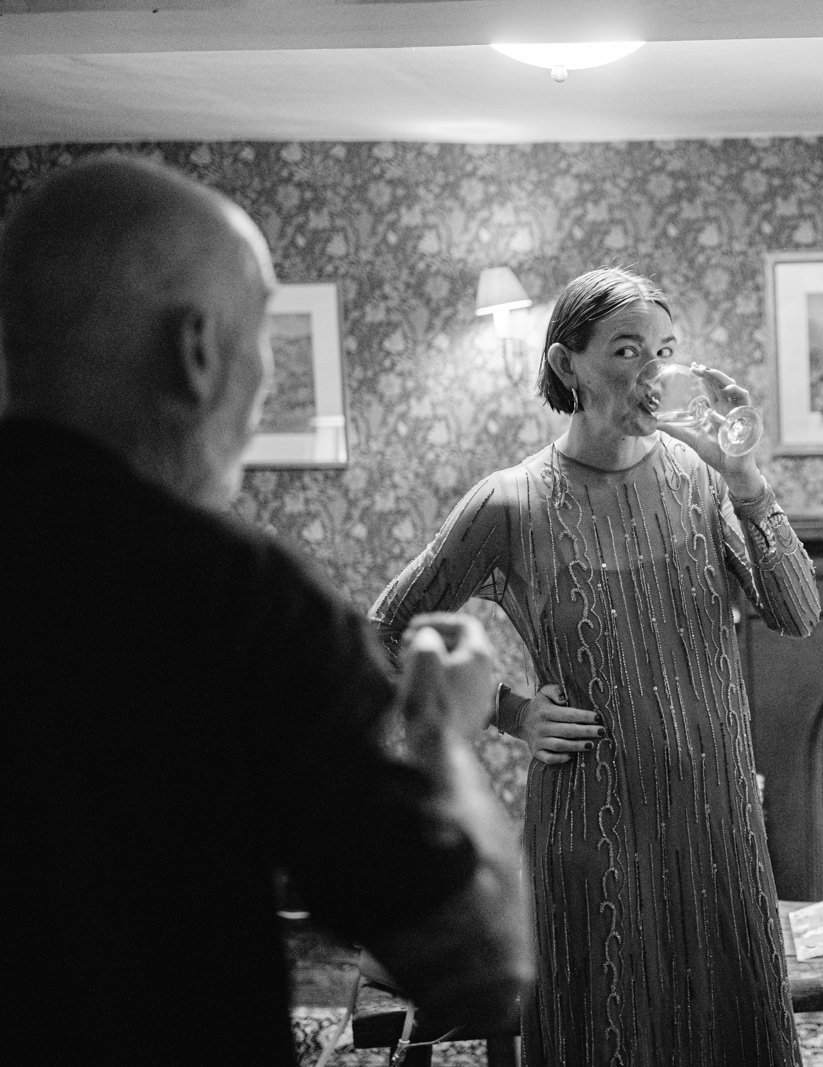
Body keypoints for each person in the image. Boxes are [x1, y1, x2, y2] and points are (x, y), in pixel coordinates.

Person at [0, 155, 531, 1064]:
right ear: (197, 351)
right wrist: (447, 733)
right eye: (265, 340)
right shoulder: (233, 595)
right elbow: (478, 962)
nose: (262, 380)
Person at [371, 266, 821, 1067]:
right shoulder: (506, 503)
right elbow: (383, 630)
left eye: (665, 350)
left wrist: (747, 481)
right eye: (625, 349)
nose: (652, 371)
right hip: (590, 828)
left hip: (715, 818)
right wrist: (510, 711)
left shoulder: (701, 480)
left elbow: (796, 612)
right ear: (566, 362)